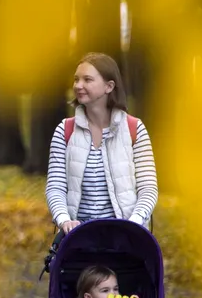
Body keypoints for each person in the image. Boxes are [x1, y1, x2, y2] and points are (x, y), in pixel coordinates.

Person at [45, 52, 159, 243]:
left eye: (87, 80)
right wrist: (64, 220)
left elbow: (148, 188)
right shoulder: (65, 131)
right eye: (76, 79)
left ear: (109, 86)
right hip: (79, 240)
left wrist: (134, 223)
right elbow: (55, 187)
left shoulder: (134, 129)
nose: (78, 85)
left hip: (125, 240)